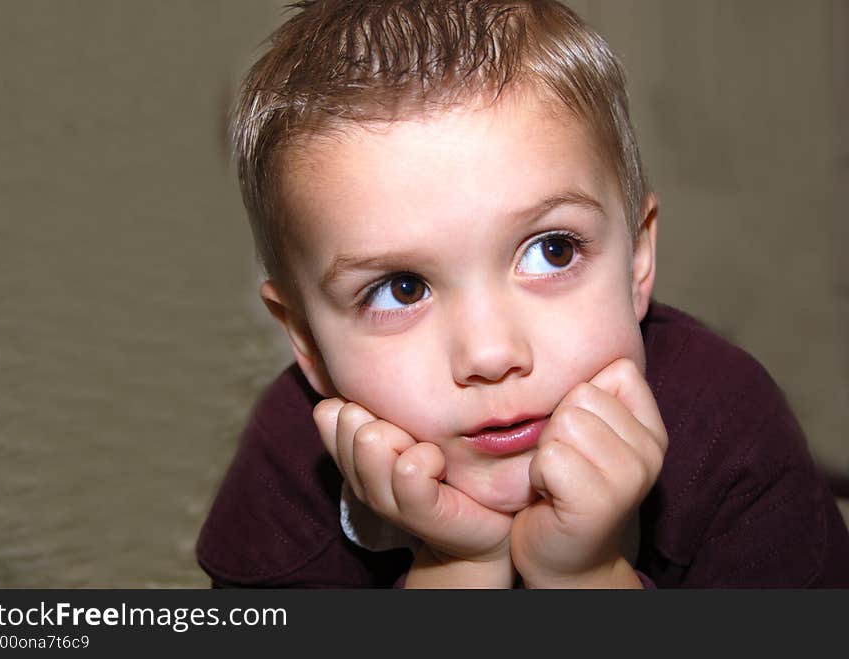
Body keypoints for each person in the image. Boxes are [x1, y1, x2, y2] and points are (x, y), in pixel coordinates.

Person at [196, 0, 849, 587]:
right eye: (401, 288)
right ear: (305, 337)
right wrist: (456, 568)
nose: (491, 350)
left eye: (552, 250)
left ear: (637, 260)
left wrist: (587, 578)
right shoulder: (286, 477)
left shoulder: (730, 431)